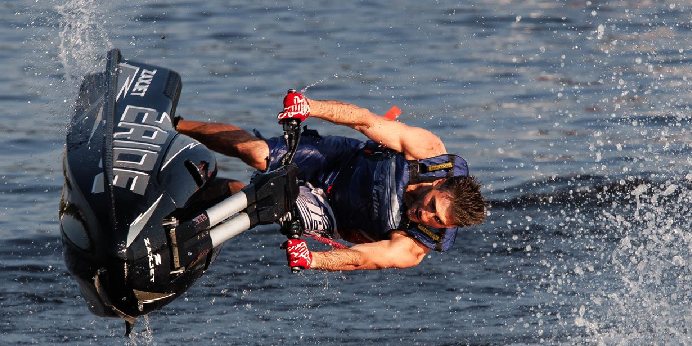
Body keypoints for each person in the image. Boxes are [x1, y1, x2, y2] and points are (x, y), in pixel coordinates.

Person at [176, 92, 486, 272]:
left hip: (333, 213)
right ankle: (174, 126)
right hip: (342, 160)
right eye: (432, 206)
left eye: (438, 220)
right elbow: (364, 120)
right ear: (439, 185)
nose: (426, 216)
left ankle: (199, 192)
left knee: (268, 199)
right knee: (256, 154)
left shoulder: (414, 248)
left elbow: (361, 258)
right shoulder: (428, 153)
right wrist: (309, 106)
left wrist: (313, 259)